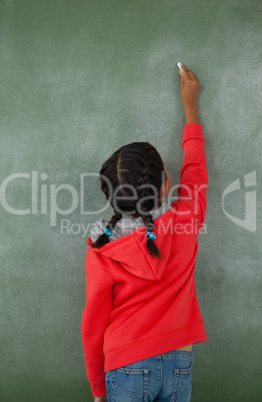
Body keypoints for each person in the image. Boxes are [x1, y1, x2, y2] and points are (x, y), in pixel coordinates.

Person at [81, 64, 208, 402]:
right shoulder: (187, 218)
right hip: (180, 359)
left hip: (125, 363)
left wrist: (97, 388)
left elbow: (93, 325)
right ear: (167, 183)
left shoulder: (102, 248)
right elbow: (195, 167)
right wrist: (191, 105)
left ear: (112, 196)